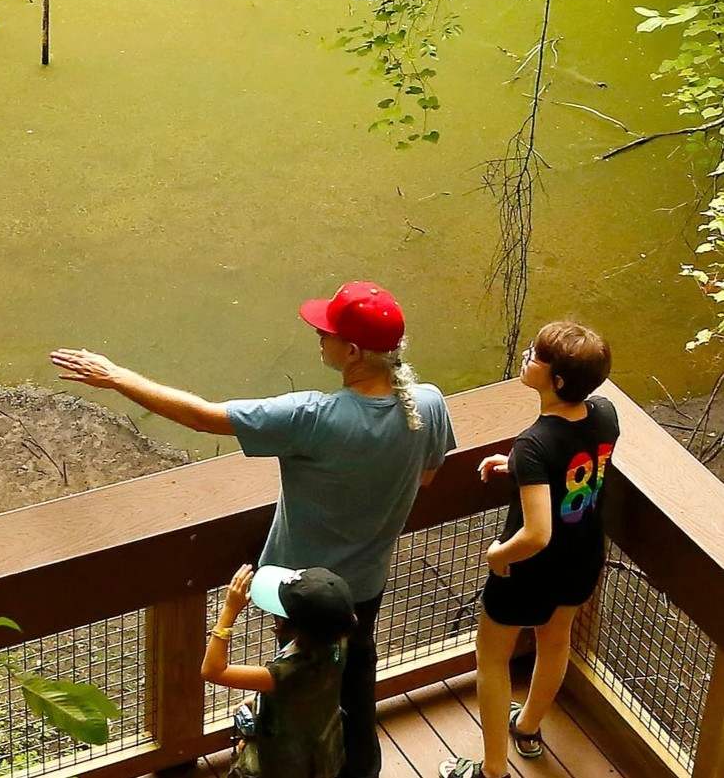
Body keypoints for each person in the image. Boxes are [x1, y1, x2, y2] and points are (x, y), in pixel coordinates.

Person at [51, 281, 457, 778]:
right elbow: (427, 476)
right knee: (352, 684)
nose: (318, 337)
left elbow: (203, 417)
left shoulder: (313, 417)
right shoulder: (429, 404)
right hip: (365, 584)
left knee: (295, 679)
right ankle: (359, 768)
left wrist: (115, 377)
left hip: (295, 589)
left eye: (326, 332)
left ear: (353, 352)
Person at [440, 322, 617, 778]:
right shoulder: (604, 414)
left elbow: (537, 534)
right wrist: (519, 467)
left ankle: (492, 769)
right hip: (582, 558)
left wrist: (499, 556)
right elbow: (575, 463)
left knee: (492, 658)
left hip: (529, 570)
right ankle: (529, 726)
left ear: (556, 380)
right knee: (555, 642)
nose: (526, 356)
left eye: (535, 355)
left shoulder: (535, 442)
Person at [202, 563, 357, 778]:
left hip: (282, 764)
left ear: (289, 625)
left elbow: (212, 670)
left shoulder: (286, 672)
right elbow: (304, 692)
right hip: (321, 750)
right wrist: (259, 701)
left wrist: (229, 610)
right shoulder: (338, 640)